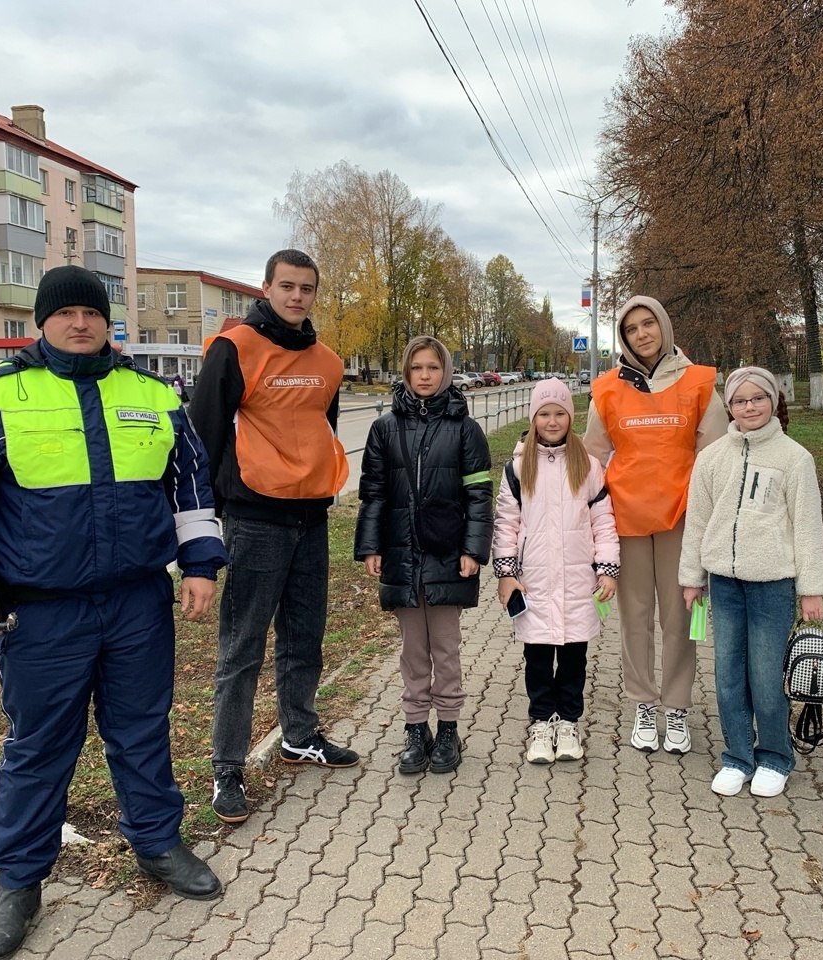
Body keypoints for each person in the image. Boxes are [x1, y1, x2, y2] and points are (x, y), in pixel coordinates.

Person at [0, 265, 229, 959]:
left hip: (137, 603)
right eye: (67, 313)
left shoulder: (152, 394)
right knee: (38, 750)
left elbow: (189, 484)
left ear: (107, 321)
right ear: (44, 319)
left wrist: (203, 566)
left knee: (142, 732)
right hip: (42, 611)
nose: (81, 323)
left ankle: (155, 844)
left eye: (92, 312)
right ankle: (20, 883)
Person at [190, 248, 355, 826]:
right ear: (266, 288)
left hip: (310, 518)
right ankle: (227, 768)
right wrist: (197, 525)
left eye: (307, 288)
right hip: (253, 519)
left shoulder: (328, 362)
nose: (296, 297)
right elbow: (202, 438)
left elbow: (323, 432)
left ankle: (300, 735)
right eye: (286, 286)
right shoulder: (235, 349)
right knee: (242, 648)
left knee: (304, 638)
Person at [585, 295, 727, 754]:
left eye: (649, 324)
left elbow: (716, 457)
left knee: (680, 615)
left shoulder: (701, 381)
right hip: (624, 520)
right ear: (623, 339)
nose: (642, 333)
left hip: (682, 520)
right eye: (632, 329)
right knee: (635, 618)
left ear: (664, 327)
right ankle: (644, 702)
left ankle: (678, 705)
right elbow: (592, 457)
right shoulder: (605, 388)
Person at [679, 367, 823, 798]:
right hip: (724, 584)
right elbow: (698, 521)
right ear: (729, 406)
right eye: (740, 401)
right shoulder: (712, 457)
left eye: (758, 399)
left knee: (766, 675)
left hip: (772, 585)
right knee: (727, 673)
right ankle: (738, 756)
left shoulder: (794, 458)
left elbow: (807, 526)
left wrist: (811, 588)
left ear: (774, 401)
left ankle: (775, 757)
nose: (750, 407)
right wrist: (692, 576)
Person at [354, 335, 493, 775]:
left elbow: (479, 496)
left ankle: (449, 728)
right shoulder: (384, 428)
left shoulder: (465, 429)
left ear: (446, 371)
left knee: (445, 649)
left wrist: (473, 550)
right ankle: (416, 729)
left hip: (447, 555)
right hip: (401, 555)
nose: (426, 376)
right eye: (417, 368)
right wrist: (371, 544)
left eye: (433, 368)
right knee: (413, 651)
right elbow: (373, 493)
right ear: (407, 373)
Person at [492, 378, 620, 764]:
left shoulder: (589, 466)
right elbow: (506, 524)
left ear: (570, 416)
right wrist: (505, 573)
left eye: (559, 413)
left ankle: (568, 722)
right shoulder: (518, 468)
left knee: (574, 658)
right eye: (544, 414)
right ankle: (540, 721)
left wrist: (608, 568)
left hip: (578, 581)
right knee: (538, 657)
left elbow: (603, 522)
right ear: (533, 419)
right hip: (534, 582)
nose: (552, 421)